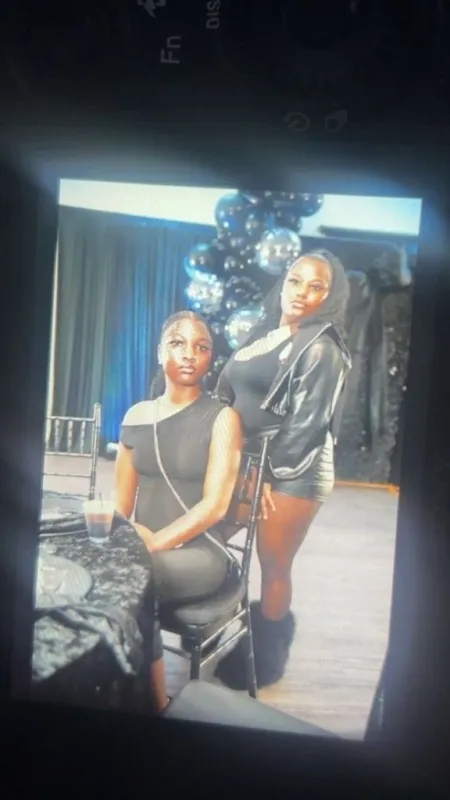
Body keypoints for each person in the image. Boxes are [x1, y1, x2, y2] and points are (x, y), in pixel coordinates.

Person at [213, 249, 352, 689]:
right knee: (210, 534)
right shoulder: (264, 333)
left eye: (317, 286)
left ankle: (267, 658)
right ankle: (214, 622)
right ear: (283, 283)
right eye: (295, 280)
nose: (302, 292)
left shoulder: (323, 346)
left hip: (294, 471)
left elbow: (306, 427)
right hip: (248, 461)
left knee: (273, 562)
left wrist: (268, 475)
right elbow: (228, 393)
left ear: (330, 297)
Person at [114, 310, 243, 713]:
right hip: (146, 548)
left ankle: (155, 704)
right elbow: (121, 505)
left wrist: (153, 544)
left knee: (135, 575)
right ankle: (110, 685)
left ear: (210, 359)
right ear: (160, 352)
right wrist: (118, 536)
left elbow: (215, 506)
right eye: (177, 343)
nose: (189, 354)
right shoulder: (135, 416)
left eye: (201, 347)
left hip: (200, 552)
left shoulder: (222, 418)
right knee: (100, 567)